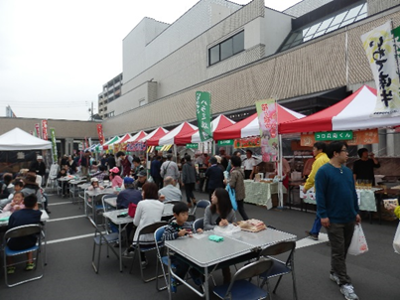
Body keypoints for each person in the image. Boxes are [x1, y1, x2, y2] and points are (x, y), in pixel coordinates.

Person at [315, 141, 361, 300]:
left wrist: (356, 211)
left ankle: (335, 272)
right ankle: (344, 283)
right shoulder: (323, 172)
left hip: (349, 216)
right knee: (338, 251)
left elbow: (352, 193)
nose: (347, 154)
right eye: (344, 151)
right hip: (333, 219)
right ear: (335, 153)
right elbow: (320, 195)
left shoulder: (347, 172)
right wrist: (323, 215)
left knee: (343, 250)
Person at [163, 202, 203, 293]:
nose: (185, 217)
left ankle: (196, 274)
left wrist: (197, 232)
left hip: (187, 251)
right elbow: (164, 238)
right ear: (175, 215)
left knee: (199, 260)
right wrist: (177, 234)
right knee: (184, 264)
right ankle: (175, 279)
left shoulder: (187, 224)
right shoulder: (171, 226)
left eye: (187, 214)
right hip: (174, 254)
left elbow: (191, 233)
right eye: (183, 214)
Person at [126, 182, 164, 267]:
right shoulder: (161, 205)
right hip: (157, 239)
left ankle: (138, 254)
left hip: (141, 241)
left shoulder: (141, 204)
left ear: (146, 192)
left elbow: (135, 222)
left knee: (138, 228)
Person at [203, 187, 236, 283]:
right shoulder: (209, 209)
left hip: (226, 241)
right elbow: (205, 226)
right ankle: (203, 278)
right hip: (210, 239)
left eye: (214, 195)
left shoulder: (230, 211)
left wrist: (228, 224)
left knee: (225, 254)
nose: (211, 197)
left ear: (220, 198)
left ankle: (227, 280)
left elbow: (235, 225)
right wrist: (218, 226)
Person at [6, 194, 42, 274]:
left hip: (13, 245)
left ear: (23, 202)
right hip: (31, 243)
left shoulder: (15, 214)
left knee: (5, 240)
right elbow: (37, 211)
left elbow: (9, 229)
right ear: (35, 204)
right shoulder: (37, 214)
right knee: (27, 236)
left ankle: (10, 265)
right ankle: (30, 262)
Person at [303, 142, 330, 240]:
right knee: (322, 212)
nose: (313, 151)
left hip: (322, 189)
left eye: (314, 149)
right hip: (328, 189)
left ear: (320, 150)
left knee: (323, 212)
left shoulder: (319, 160)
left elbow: (313, 175)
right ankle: (315, 231)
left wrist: (306, 186)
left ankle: (334, 235)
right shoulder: (327, 159)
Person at [227, 155, 248, 220]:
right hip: (241, 192)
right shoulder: (241, 171)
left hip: (235, 194)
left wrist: (226, 182)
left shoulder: (234, 172)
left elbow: (232, 184)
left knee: (227, 208)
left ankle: (219, 221)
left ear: (232, 163)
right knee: (241, 209)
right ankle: (247, 220)